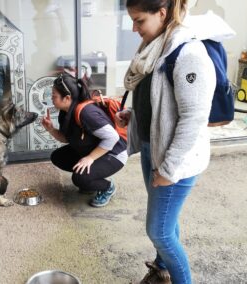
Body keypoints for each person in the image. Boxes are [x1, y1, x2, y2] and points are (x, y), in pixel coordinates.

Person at [116, 0, 232, 283]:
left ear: (162, 13)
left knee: (160, 232)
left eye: (139, 20)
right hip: (152, 148)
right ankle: (162, 268)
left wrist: (169, 170)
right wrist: (133, 115)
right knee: (166, 219)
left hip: (175, 160)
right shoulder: (154, 48)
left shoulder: (188, 53)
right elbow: (163, 103)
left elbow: (193, 118)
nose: (134, 28)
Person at [42, 72, 127, 207]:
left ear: (67, 98)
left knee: (80, 178)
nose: (51, 98)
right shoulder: (65, 112)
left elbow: (112, 137)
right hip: (94, 149)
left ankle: (107, 187)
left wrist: (90, 158)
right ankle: (90, 180)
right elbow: (68, 139)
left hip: (114, 154)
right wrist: (51, 129)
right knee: (58, 157)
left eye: (54, 96)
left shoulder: (87, 113)